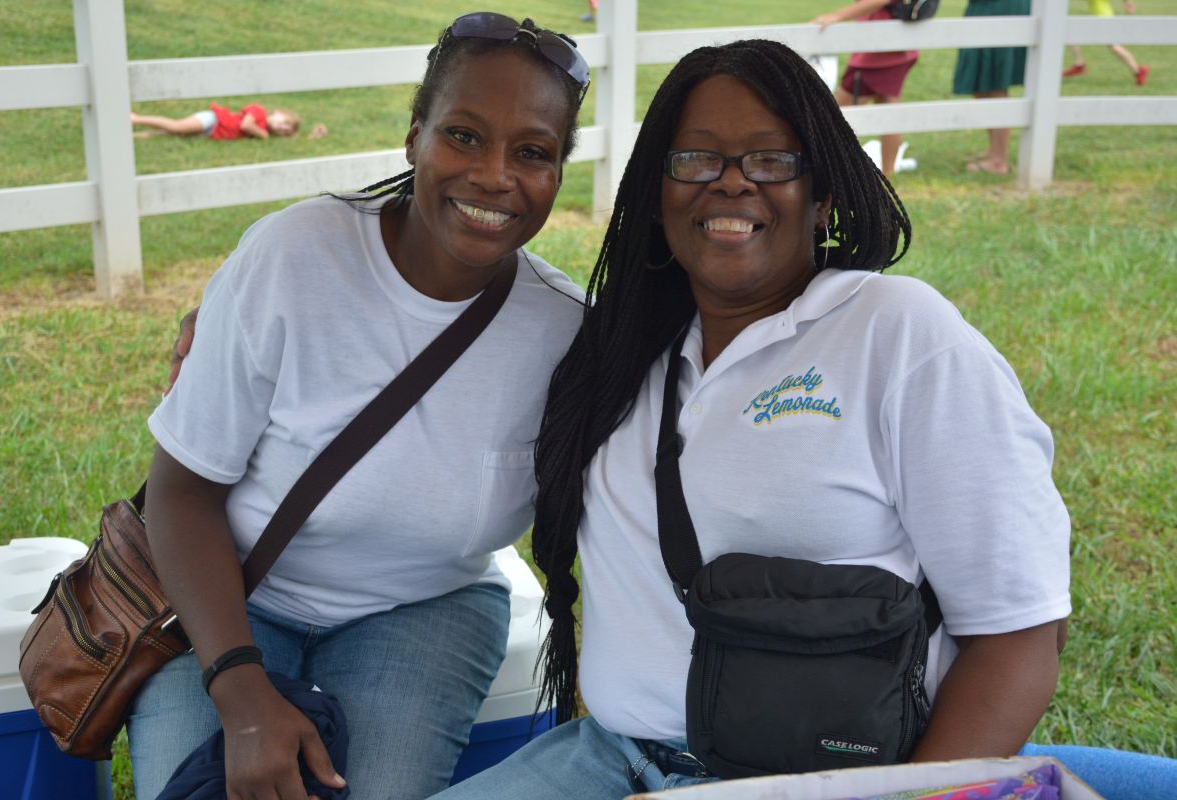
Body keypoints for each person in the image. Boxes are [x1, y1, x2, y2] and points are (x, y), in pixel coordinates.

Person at [430, 38, 1071, 799]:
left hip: (822, 785)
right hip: (610, 758)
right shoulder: (619, 353)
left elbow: (1020, 634)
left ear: (823, 197)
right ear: (658, 194)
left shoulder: (898, 335)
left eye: (771, 160)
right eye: (696, 159)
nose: (731, 182)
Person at [130, 12, 589, 800]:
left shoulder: (567, 330)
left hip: (426, 608)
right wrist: (240, 694)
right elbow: (181, 494)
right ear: (414, 138)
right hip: (232, 590)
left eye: (532, 152)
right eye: (464, 136)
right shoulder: (292, 258)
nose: (494, 176)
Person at [812, 0, 919, 177]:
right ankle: (887, 172)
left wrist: (837, 16)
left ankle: (827, 169)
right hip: (890, 42)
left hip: (880, 50)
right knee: (887, 107)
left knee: (836, 113)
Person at [952, 0, 1031, 175]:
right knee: (982, 82)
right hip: (985, 8)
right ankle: (993, 149)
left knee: (995, 82)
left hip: (999, 8)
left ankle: (998, 160)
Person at [1063, 0, 1149, 86]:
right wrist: (1127, 2)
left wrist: (1128, 2)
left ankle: (1139, 70)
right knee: (1071, 33)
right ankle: (1078, 65)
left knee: (1115, 47)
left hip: (1105, 21)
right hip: (1100, 20)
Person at [130, 103, 327, 139]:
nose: (281, 128)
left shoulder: (264, 131)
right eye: (284, 122)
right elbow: (245, 125)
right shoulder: (259, 112)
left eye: (284, 130)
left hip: (213, 132)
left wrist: (313, 136)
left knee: (168, 135)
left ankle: (135, 136)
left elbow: (292, 144)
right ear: (277, 112)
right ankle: (135, 118)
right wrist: (262, 134)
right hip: (212, 120)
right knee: (176, 126)